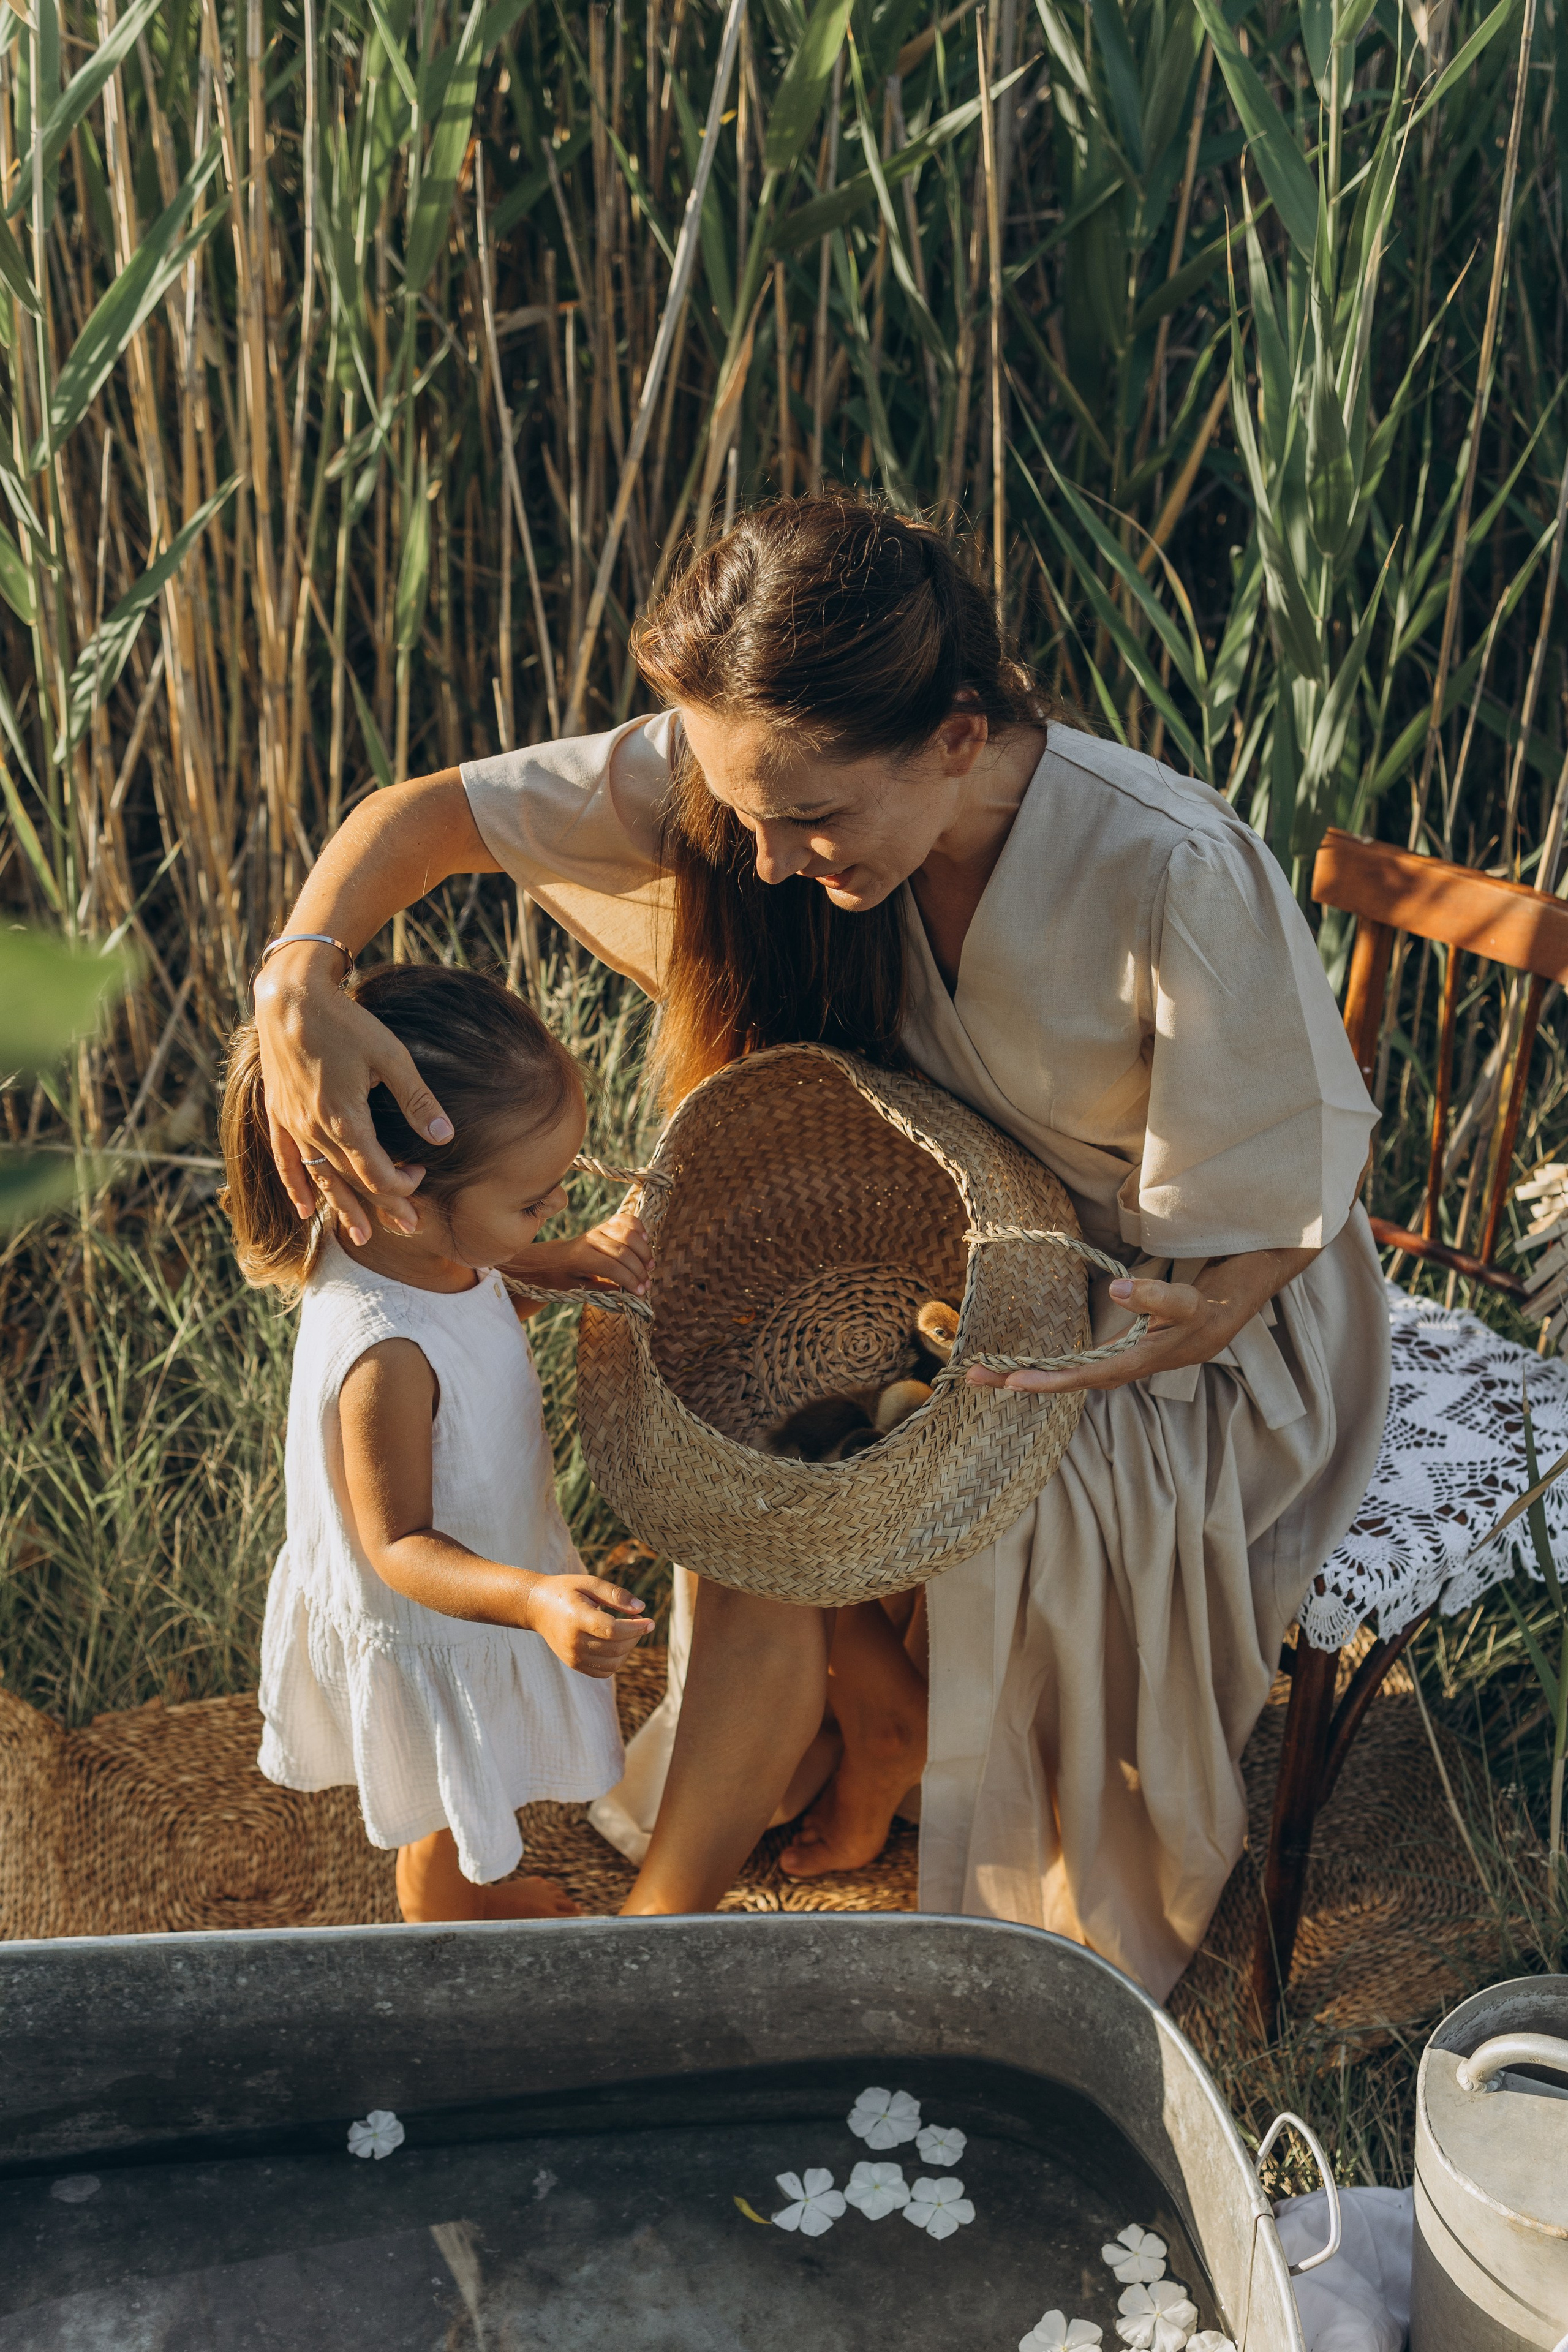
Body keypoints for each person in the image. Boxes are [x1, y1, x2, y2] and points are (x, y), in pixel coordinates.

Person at [253, 499, 1389, 1996]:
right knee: (743, 1437)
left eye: (814, 820)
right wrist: (300, 977)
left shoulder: (1169, 867)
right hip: (917, 1238)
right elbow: (430, 814)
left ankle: (671, 1930)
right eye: (744, 817)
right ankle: (850, 1750)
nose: (773, 861)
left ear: (959, 736)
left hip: (1169, 1326)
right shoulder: (754, 779)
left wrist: (1185, 1314)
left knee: (797, 1514)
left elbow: (1257, 1231)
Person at [221, 961, 652, 1923]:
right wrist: (535, 1598)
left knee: (468, 1771)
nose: (553, 1215)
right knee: (455, 1765)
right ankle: (444, 1911)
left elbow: (482, 1283)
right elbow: (399, 1544)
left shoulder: (409, 1240)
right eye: (536, 1205)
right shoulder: (384, 1354)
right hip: (442, 1602)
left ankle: (450, 1883)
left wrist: (561, 1263)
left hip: (481, 1568)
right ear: (403, 1190)